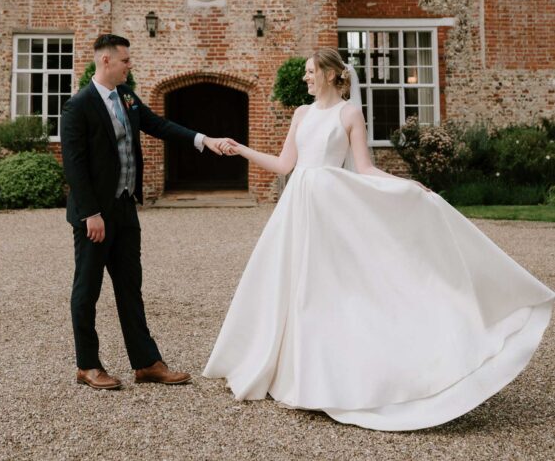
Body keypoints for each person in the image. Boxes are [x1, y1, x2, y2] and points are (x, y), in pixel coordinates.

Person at [204, 47, 554, 431]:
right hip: (297, 209)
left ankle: (331, 378)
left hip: (330, 211)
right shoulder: (301, 114)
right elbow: (287, 165)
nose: (305, 77)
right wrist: (242, 150)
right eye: (305, 71)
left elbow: (366, 167)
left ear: (331, 74)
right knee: (291, 287)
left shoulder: (350, 113)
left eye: (309, 72)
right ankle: (294, 372)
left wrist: (406, 185)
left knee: (326, 289)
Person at [62, 33, 232, 390]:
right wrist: (91, 212)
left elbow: (159, 126)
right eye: (125, 60)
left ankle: (146, 363)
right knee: (87, 289)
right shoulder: (78, 106)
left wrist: (205, 141)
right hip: (95, 216)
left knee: (130, 288)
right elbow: (75, 166)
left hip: (125, 209)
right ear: (105, 61)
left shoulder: (126, 97)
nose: (130, 65)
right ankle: (87, 365)